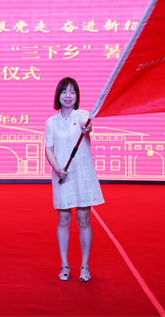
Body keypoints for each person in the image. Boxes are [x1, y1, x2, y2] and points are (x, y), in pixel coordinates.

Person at [45, 77, 104, 282]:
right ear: (58, 95)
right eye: (64, 91)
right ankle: (64, 265)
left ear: (77, 96)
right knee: (63, 220)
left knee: (83, 220)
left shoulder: (83, 115)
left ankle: (85, 266)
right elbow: (49, 149)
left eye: (72, 92)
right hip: (62, 175)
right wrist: (57, 169)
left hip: (82, 175)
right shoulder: (51, 122)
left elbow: (87, 125)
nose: (68, 96)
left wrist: (87, 127)